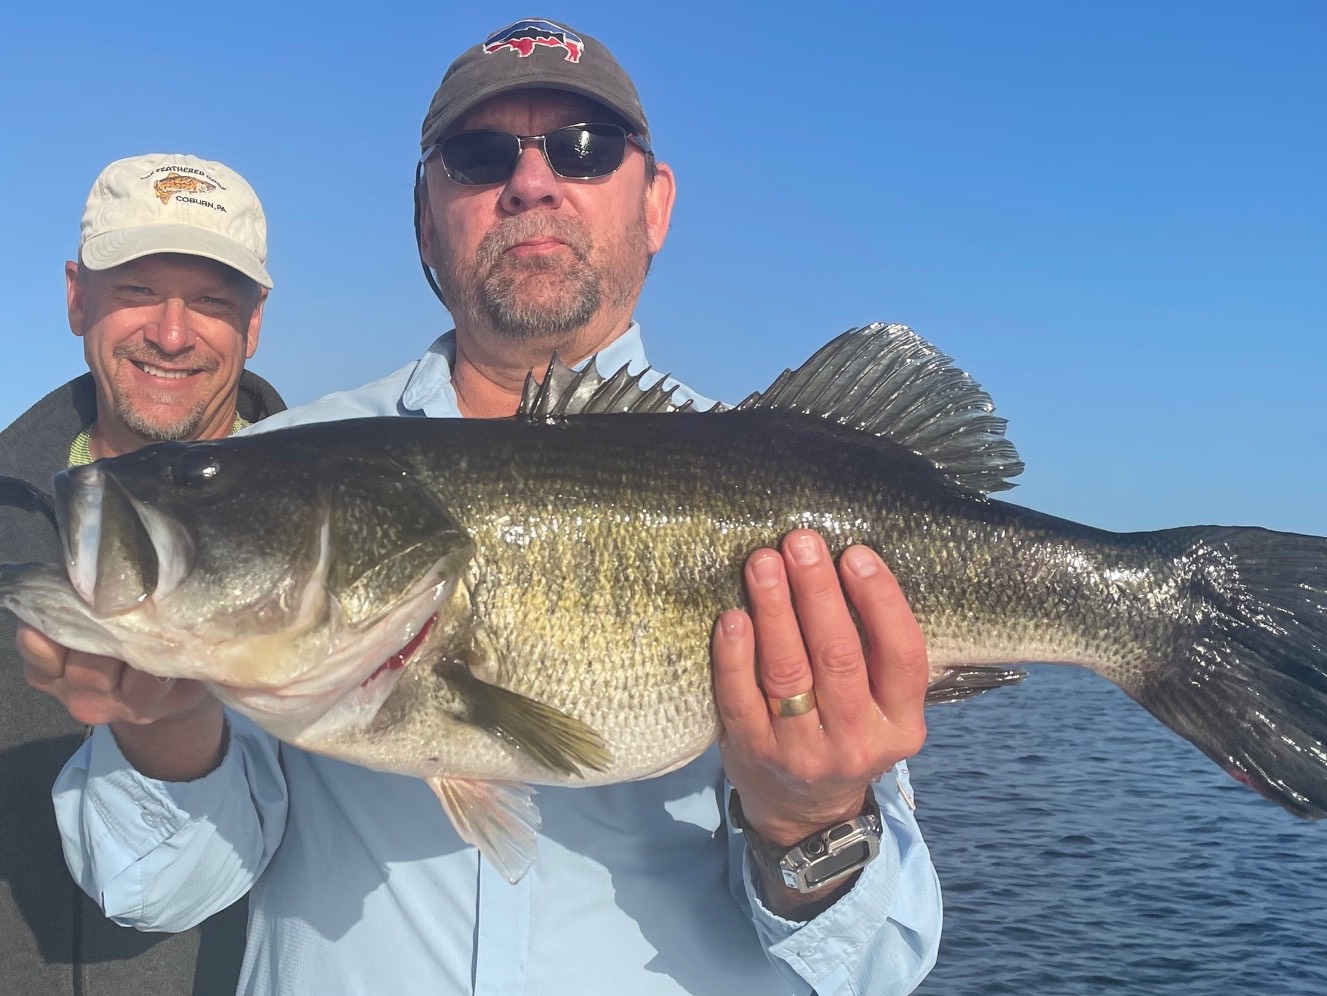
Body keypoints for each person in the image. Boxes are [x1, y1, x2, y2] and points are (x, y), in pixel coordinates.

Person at [22, 22, 942, 995]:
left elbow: (877, 966)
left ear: (657, 202)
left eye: (585, 148)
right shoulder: (275, 467)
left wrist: (813, 820)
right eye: (479, 154)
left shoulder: (792, 489)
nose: (533, 182)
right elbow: (152, 892)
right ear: (424, 217)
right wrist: (164, 726)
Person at [0, 153, 286, 995]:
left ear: (255, 322)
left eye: (210, 301)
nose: (170, 331)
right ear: (75, 296)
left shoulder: (343, 526)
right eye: (134, 291)